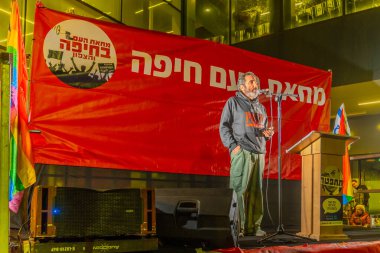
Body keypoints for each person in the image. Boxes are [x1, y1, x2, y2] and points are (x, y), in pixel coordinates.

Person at [219, 72, 274, 237]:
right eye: (251, 82)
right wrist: (232, 145)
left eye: (256, 82)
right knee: (239, 190)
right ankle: (238, 227)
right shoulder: (233, 102)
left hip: (259, 152)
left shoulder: (261, 107)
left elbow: (258, 129)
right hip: (242, 151)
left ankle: (254, 227)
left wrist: (266, 133)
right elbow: (224, 126)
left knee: (256, 191)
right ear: (241, 86)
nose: (255, 85)